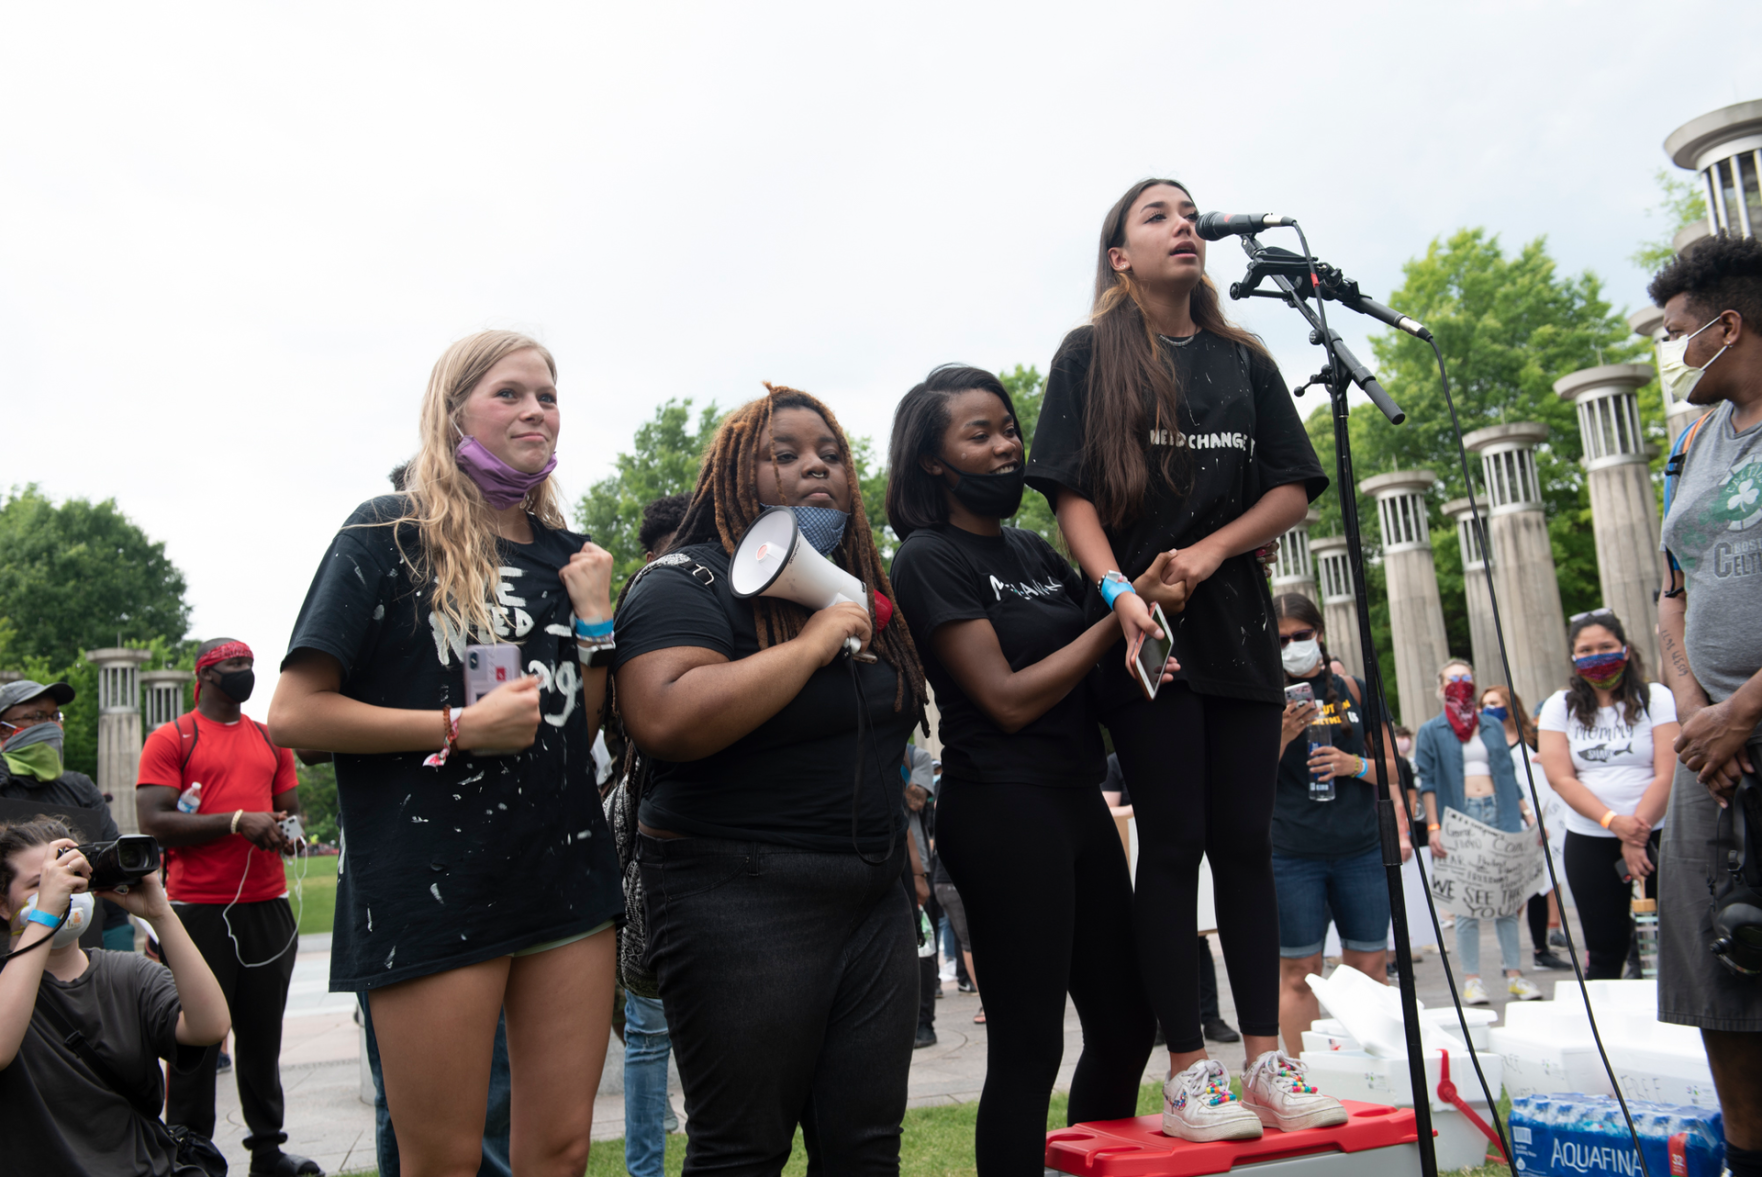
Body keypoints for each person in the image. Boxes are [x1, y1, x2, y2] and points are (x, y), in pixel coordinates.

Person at [268, 330, 623, 1177]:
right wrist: (455, 729)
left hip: (565, 878)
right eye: (510, 393)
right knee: (444, 1161)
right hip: (431, 885)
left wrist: (598, 622)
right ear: (453, 410)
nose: (536, 408)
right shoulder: (385, 535)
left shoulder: (569, 557)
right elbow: (293, 714)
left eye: (548, 394)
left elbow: (577, 734)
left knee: (564, 1151)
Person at [1023, 177, 1330, 1140]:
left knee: (1247, 841)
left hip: (1236, 628)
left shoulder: (1245, 360)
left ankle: (1267, 1061)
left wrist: (1209, 551)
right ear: (1120, 255)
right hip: (1143, 633)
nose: (1184, 225)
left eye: (1191, 212)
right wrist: (1119, 590)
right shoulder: (1089, 355)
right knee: (1174, 839)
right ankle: (1188, 1068)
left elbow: (1291, 488)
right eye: (1157, 215)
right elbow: (1068, 492)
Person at [612, 385, 926, 1175]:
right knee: (742, 1150)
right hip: (735, 892)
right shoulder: (686, 579)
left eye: (830, 453)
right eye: (783, 454)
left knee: (864, 1147)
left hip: (869, 897)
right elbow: (664, 715)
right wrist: (812, 642)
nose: (815, 465)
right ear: (730, 476)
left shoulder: (859, 589)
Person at [887, 364, 1164, 1169]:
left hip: (1078, 800)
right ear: (933, 461)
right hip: (1003, 809)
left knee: (1123, 1023)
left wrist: (1147, 646)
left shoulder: (1038, 549)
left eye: (1009, 427)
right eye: (981, 433)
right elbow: (1004, 699)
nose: (1008, 443)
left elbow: (1095, 674)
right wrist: (1114, 618)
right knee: (1029, 1044)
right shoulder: (928, 559)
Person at [1651, 230, 1762, 1177]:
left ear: (1728, 328)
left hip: (1747, 726)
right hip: (1707, 754)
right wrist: (1698, 711)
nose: (1671, 352)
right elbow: (1671, 589)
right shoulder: (1692, 441)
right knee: (1716, 980)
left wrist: (1745, 713)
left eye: (1679, 332)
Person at [134, 637, 320, 1176]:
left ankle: (268, 1150)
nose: (247, 672)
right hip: (196, 910)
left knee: (263, 1037)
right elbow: (154, 820)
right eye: (235, 665)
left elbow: (290, 812)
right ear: (207, 675)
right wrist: (236, 820)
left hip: (266, 905)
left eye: (250, 664)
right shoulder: (173, 738)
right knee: (197, 1035)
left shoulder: (269, 738)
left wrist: (291, 836)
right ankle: (191, 1153)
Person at [1, 817, 231, 1176]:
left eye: (73, 877)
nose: (63, 892)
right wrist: (44, 915)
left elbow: (210, 1027)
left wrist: (161, 915)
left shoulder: (128, 974)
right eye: (43, 883)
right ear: (3, 905)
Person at [1270, 594, 1409, 1059]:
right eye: (1282, 638)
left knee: (1369, 966)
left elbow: (1395, 769)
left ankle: (1373, 1067)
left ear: (1320, 634)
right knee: (1299, 971)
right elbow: (1241, 779)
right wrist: (1285, 733)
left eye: (1301, 636)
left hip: (1361, 850)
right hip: (1291, 853)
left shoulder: (1355, 688)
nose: (1292, 646)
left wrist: (1354, 764)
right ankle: (1307, 1075)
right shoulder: (1264, 695)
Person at [1536, 611, 1678, 981]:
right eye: (1586, 649)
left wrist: (1637, 834)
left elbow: (1668, 771)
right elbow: (1560, 778)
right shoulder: (1559, 706)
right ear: (1573, 657)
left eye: (1606, 647)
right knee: (1603, 951)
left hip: (1659, 833)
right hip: (1591, 838)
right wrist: (1615, 824)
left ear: (1625, 650)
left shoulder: (1657, 698)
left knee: (1668, 949)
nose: (1597, 655)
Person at [1414, 658, 1543, 1004]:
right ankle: (1473, 979)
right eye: (1453, 679)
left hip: (1499, 814)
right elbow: (1427, 782)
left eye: (1466, 678)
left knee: (1506, 900)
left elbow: (1508, 775)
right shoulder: (1431, 730)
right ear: (1441, 688)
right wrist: (1434, 826)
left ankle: (1514, 974)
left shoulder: (1491, 726)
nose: (1460, 684)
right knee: (1467, 903)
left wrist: (1528, 816)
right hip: (1461, 817)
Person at [1100, 753, 1240, 1044]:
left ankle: (1210, 1017)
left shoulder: (1185, 756)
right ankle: (1165, 1022)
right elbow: (1106, 810)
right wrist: (1136, 809)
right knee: (1153, 942)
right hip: (1138, 855)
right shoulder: (1116, 763)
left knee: (1197, 940)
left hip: (1184, 851)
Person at [0, 679, 134, 950]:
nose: (50, 725)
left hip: (96, 929)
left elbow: (112, 855)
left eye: (54, 716)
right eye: (37, 716)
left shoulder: (79, 787)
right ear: (4, 729)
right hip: (12, 937)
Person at [1480, 683, 1571, 972]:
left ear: (1509, 704)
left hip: (1541, 820)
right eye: (1484, 704)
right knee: (1513, 892)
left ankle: (1541, 948)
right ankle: (1510, 956)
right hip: (1504, 821)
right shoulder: (1482, 741)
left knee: (1540, 887)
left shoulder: (1532, 736)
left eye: (1494, 702)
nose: (1488, 709)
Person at [902, 743, 939, 1049]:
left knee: (921, 943)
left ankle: (925, 1023)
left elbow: (916, 802)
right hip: (871, 859)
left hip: (915, 867)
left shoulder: (917, 757)